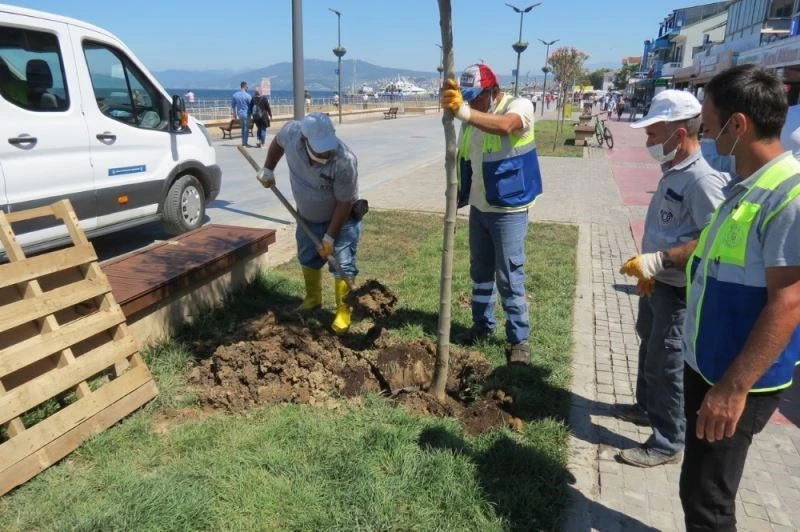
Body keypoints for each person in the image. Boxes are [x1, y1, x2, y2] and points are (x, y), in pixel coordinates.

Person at [616, 90, 730, 468]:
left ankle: (667, 440)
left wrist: (660, 261)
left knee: (666, 360)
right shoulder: (674, 172)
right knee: (649, 344)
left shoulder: (702, 181)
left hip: (677, 289)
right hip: (657, 282)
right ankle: (646, 407)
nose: (648, 142)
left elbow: (713, 239)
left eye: (653, 134)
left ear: (679, 135)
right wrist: (651, 267)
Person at [440, 63, 542, 364]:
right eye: (467, 98)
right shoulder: (472, 117)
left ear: (493, 90)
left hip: (509, 209)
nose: (471, 103)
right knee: (480, 271)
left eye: (475, 97)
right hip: (480, 206)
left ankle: (519, 340)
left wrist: (464, 112)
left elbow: (507, 126)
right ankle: (482, 325)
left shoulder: (519, 106)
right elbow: (466, 159)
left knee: (509, 275)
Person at [255, 113, 362, 335]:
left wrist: (330, 237)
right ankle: (313, 299)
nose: (326, 154)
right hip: (306, 217)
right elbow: (277, 143)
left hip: (341, 220)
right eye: (320, 150)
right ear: (304, 141)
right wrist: (268, 169)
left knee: (342, 264)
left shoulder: (345, 161)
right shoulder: (292, 133)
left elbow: (345, 202)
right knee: (307, 257)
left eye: (328, 148)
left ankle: (343, 310)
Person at [231, 81, 252, 146]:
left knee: (243, 128)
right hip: (246, 114)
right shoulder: (248, 96)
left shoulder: (235, 95)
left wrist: (234, 114)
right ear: (244, 87)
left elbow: (233, 106)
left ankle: (243, 142)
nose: (247, 88)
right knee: (246, 129)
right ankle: (245, 143)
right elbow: (251, 106)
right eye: (247, 87)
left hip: (240, 114)